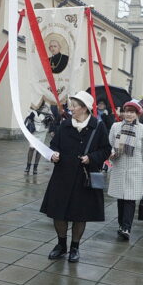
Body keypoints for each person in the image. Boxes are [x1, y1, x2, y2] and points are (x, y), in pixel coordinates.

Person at [40, 91, 111, 263]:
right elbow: (54, 144)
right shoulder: (65, 124)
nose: (70, 108)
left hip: (84, 178)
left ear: (85, 108)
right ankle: (61, 245)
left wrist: (91, 158)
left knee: (80, 214)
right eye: (70, 104)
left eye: (74, 105)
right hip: (62, 175)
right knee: (58, 213)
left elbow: (106, 150)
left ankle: (75, 247)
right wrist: (54, 154)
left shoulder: (97, 126)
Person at [108, 101, 143, 240]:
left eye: (132, 112)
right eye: (126, 111)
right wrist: (112, 152)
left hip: (136, 169)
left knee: (130, 199)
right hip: (119, 166)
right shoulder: (116, 126)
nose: (128, 114)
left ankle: (126, 228)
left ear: (137, 114)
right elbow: (110, 143)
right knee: (121, 198)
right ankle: (121, 224)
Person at [24, 102, 53, 174]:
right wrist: (30, 116)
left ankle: (35, 167)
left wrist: (48, 119)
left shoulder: (47, 108)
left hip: (42, 132)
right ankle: (28, 166)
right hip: (34, 131)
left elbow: (52, 118)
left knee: (39, 150)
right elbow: (28, 116)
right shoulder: (33, 106)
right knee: (31, 148)